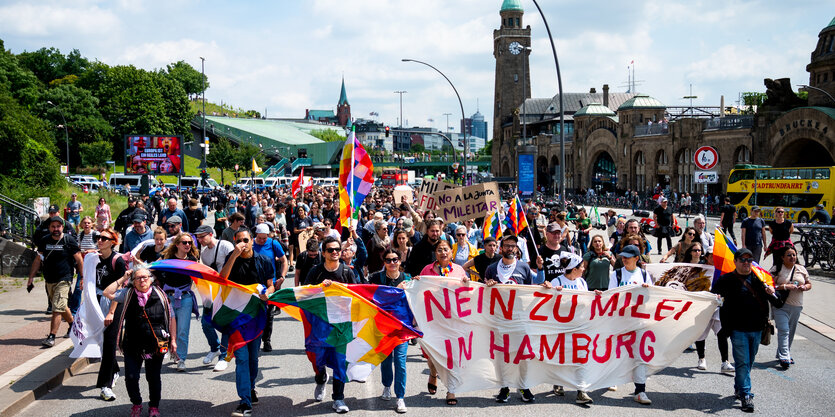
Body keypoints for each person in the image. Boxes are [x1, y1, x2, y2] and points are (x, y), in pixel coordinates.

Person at [712, 248, 780, 412]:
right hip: (737, 329)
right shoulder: (726, 280)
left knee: (748, 361)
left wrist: (772, 292)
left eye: (749, 260)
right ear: (735, 262)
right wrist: (717, 299)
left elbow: (778, 303)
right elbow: (711, 298)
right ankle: (746, 395)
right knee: (742, 362)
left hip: (757, 328)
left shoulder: (759, 278)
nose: (746, 263)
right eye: (742, 260)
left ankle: (739, 386)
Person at [103, 264, 176, 417]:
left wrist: (173, 340)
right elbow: (107, 292)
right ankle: (136, 403)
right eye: (138, 278)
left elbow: (171, 318)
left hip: (156, 343)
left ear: (151, 279)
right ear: (133, 281)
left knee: (153, 376)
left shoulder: (161, 295)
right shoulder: (127, 294)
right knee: (131, 376)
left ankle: (153, 407)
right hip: (132, 344)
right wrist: (124, 277)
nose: (142, 280)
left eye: (145, 277)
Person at [483, 235, 546, 404]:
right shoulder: (492, 268)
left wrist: (540, 269)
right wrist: (487, 284)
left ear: (517, 249)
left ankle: (523, 385)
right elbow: (484, 292)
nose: (510, 248)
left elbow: (536, 286)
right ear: (500, 248)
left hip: (520, 319)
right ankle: (505, 387)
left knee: (523, 354)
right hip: (499, 319)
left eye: (513, 246)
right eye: (506, 246)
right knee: (503, 355)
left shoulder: (524, 268)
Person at [220, 229, 275, 417]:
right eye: (239, 240)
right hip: (236, 317)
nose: (243, 243)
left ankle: (251, 388)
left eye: (246, 239)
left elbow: (271, 284)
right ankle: (244, 402)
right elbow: (222, 279)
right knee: (241, 358)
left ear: (252, 241)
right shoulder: (232, 257)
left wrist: (268, 292)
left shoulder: (264, 261)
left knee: (253, 357)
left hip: (257, 315)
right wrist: (234, 254)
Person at [303, 237, 356, 413]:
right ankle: (321, 378)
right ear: (323, 253)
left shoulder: (347, 271)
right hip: (320, 325)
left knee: (340, 363)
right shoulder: (315, 272)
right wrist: (319, 287)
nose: (335, 252)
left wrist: (340, 288)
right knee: (318, 359)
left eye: (337, 250)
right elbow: (304, 294)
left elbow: (358, 295)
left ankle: (339, 399)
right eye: (331, 250)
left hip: (341, 326)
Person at [413, 240, 469, 406]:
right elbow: (420, 292)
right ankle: (433, 372)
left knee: (452, 356)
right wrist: (416, 282)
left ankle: (451, 390)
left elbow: (466, 294)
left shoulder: (459, 270)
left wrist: (466, 283)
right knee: (431, 353)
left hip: (453, 321)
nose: (443, 252)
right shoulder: (427, 270)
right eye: (439, 250)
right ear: (435, 253)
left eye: (446, 250)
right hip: (433, 320)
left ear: (451, 253)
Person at [605, 244, 653, 405]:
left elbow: (652, 300)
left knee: (639, 355)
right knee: (616, 352)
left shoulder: (644, 275)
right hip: (619, 321)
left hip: (638, 321)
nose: (624, 259)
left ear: (637, 258)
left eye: (628, 256)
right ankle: (613, 378)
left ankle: (640, 390)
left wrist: (646, 291)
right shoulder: (616, 274)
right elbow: (611, 296)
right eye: (623, 256)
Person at [27, 216, 81, 348]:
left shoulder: (69, 240)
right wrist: (31, 277)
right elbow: (38, 260)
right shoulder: (45, 241)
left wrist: (83, 277)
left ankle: (51, 336)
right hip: (49, 279)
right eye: (53, 226)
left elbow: (79, 260)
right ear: (49, 228)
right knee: (62, 306)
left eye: (58, 226)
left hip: (65, 278)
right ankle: (73, 325)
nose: (56, 229)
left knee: (57, 307)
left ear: (62, 227)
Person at [368, 249, 411, 414]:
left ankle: (400, 397)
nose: (392, 263)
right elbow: (373, 300)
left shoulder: (408, 279)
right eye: (388, 260)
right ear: (383, 262)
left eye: (395, 259)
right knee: (386, 361)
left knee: (400, 362)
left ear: (400, 261)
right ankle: (386, 386)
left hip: (402, 328)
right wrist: (397, 291)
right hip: (383, 328)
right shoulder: (376, 278)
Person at [550, 252, 594, 404]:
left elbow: (587, 301)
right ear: (574, 268)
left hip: (579, 326)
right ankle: (558, 381)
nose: (583, 269)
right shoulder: (556, 281)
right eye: (581, 267)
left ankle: (581, 391)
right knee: (562, 355)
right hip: (561, 327)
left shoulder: (582, 282)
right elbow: (548, 303)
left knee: (581, 358)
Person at [94, 228, 128, 402]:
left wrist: (112, 312)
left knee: (109, 342)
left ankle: (105, 386)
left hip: (114, 303)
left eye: (104, 238)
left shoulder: (118, 261)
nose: (99, 240)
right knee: (100, 342)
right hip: (97, 301)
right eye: (98, 237)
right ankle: (113, 369)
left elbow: (120, 290)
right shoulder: (94, 258)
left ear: (113, 242)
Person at [195, 225, 234, 372]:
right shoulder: (204, 254)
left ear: (211, 234)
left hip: (228, 291)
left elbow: (235, 265)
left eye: (202, 236)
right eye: (198, 237)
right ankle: (215, 348)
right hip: (213, 292)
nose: (199, 239)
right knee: (206, 323)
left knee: (225, 325)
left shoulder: (225, 245)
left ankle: (223, 357)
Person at [159, 233, 199, 372]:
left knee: (183, 330)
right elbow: (155, 269)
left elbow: (202, 275)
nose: (187, 245)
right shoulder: (167, 259)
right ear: (177, 244)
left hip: (185, 297)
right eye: (184, 242)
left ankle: (181, 358)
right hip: (168, 297)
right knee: (166, 328)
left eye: (189, 242)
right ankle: (169, 350)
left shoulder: (192, 260)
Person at [692, 240, 733, 373]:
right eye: (711, 256)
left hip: (718, 308)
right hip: (703, 307)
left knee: (721, 334)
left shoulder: (724, 271)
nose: (714, 259)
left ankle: (725, 362)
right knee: (701, 334)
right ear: (707, 257)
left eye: (716, 256)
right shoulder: (700, 270)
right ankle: (701, 358)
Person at [769, 246, 811, 369]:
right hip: (781, 305)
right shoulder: (776, 269)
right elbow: (768, 285)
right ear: (782, 257)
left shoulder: (801, 269)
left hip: (797, 305)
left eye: (794, 255)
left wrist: (805, 287)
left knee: (791, 331)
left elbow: (809, 283)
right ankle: (784, 357)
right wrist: (785, 286)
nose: (792, 257)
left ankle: (783, 352)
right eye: (789, 255)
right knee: (784, 330)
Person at [252, 223, 288, 352]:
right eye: (260, 238)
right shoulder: (250, 244)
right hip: (253, 285)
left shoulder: (273, 244)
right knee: (254, 314)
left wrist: (282, 277)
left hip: (270, 284)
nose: (262, 240)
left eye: (264, 238)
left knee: (268, 314)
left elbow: (284, 261)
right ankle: (254, 340)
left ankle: (266, 340)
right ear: (256, 235)